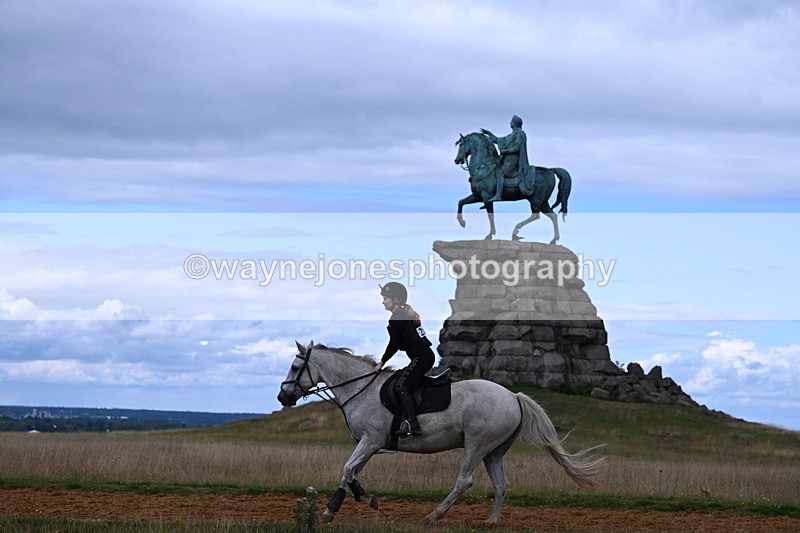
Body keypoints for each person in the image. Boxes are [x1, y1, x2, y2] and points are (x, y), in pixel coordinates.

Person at [373, 282, 434, 437]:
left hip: (422, 358)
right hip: (423, 357)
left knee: (401, 385)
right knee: (401, 380)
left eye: (385, 298)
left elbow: (394, 343)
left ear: (395, 299)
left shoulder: (398, 316)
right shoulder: (401, 315)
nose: (383, 301)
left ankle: (411, 424)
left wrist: (382, 362)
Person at [480, 115, 531, 202]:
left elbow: (517, 148)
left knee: (500, 172)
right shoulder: (510, 135)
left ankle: (498, 195)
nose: (510, 123)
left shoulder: (519, 134)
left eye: (511, 121)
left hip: (513, 160)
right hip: (507, 159)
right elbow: (498, 140)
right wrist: (489, 133)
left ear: (515, 123)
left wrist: (505, 151)